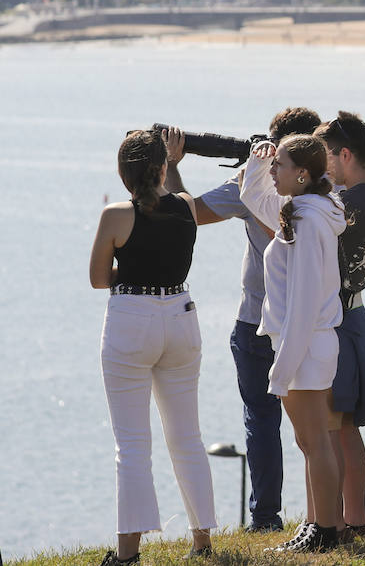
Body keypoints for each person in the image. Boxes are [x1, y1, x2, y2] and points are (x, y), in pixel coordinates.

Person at [164, 106, 322, 533]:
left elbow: (185, 215)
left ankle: (266, 519)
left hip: (257, 319)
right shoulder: (329, 193)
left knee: (261, 422)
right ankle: (330, 515)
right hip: (316, 322)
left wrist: (170, 169)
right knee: (324, 424)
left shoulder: (252, 183)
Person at [90, 128, 215, 565]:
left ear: (124, 175)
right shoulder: (185, 206)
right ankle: (202, 543)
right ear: (162, 167)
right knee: (188, 438)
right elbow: (178, 199)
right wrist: (176, 162)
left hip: (131, 322)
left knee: (132, 445)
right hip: (181, 316)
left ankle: (127, 555)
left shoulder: (115, 215)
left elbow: (99, 278)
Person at [240, 134, 348, 550]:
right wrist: (257, 157)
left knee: (314, 440)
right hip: (309, 344)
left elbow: (302, 302)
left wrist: (280, 369)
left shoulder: (305, 218)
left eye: (280, 164)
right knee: (310, 439)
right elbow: (254, 196)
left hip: (304, 345)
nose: (273, 170)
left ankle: (325, 530)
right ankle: (322, 524)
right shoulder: (303, 208)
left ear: (302, 173)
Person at [316, 112, 365, 541]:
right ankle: (352, 518)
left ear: (346, 154)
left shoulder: (354, 202)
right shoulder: (364, 196)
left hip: (340, 317)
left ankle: (341, 521)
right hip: (352, 313)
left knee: (336, 425)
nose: (319, 164)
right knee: (344, 426)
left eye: (325, 155)